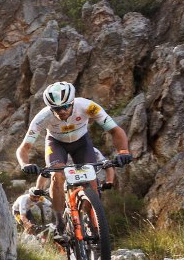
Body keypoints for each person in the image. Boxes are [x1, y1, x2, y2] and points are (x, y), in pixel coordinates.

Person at [15, 81, 132, 237]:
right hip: (56, 145)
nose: (61, 111)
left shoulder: (87, 106)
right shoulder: (42, 117)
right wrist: (25, 163)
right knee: (57, 176)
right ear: (50, 108)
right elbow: (24, 148)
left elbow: (115, 130)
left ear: (72, 102)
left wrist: (123, 151)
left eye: (65, 107)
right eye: (56, 109)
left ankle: (92, 218)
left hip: (82, 143)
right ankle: (59, 222)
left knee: (92, 182)